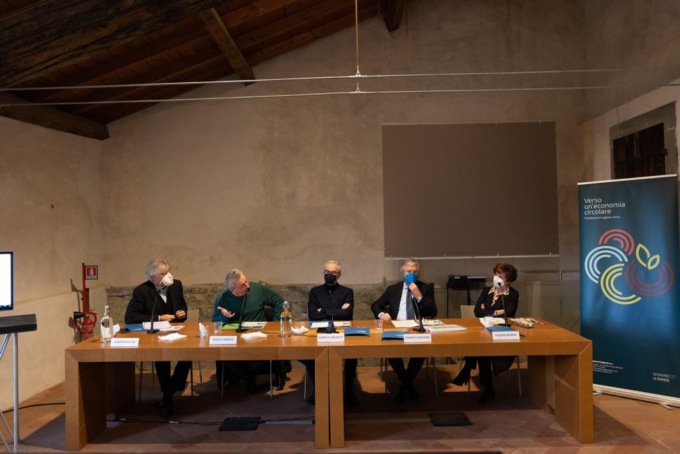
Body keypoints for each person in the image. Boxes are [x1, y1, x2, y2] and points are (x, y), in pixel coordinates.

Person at [124, 259, 192, 417]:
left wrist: (182, 312)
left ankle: (171, 389)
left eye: (168, 271)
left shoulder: (176, 285)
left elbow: (182, 305)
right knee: (162, 358)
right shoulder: (142, 291)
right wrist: (159, 318)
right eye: (163, 273)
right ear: (152, 277)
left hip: (176, 331)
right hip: (156, 335)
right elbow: (130, 317)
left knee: (189, 353)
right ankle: (168, 396)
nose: (168, 275)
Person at [371, 258, 437, 404]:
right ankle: (408, 385)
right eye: (408, 271)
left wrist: (418, 295)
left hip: (416, 327)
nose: (411, 274)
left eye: (415, 272)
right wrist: (382, 314)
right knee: (390, 348)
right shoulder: (393, 289)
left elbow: (432, 312)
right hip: (397, 327)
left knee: (421, 350)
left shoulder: (425, 288)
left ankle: (405, 385)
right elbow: (375, 305)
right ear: (402, 273)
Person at [451, 263, 519, 403]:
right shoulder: (487, 290)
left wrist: (489, 311)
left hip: (501, 333)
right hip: (483, 330)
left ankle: (467, 371)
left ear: (508, 280)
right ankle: (488, 388)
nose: (496, 277)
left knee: (483, 350)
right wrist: (497, 312)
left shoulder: (512, 294)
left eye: (500, 276)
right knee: (481, 348)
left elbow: (509, 312)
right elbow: (477, 311)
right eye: (496, 274)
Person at [211, 268, 285, 394]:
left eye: (246, 281)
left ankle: (247, 377)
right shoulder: (222, 298)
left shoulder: (257, 289)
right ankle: (249, 378)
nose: (247, 285)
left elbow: (279, 302)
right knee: (224, 355)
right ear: (233, 290)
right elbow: (215, 321)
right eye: (242, 285)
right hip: (235, 338)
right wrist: (224, 317)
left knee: (258, 353)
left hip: (258, 336)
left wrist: (276, 323)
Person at [303, 260, 358, 406]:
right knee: (310, 355)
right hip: (319, 330)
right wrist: (337, 311)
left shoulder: (347, 292)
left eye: (333, 272)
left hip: (341, 330)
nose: (329, 275)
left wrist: (323, 310)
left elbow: (346, 314)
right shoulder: (315, 292)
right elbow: (313, 315)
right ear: (323, 273)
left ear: (339, 275)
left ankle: (348, 390)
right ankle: (318, 388)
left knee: (352, 355)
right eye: (327, 272)